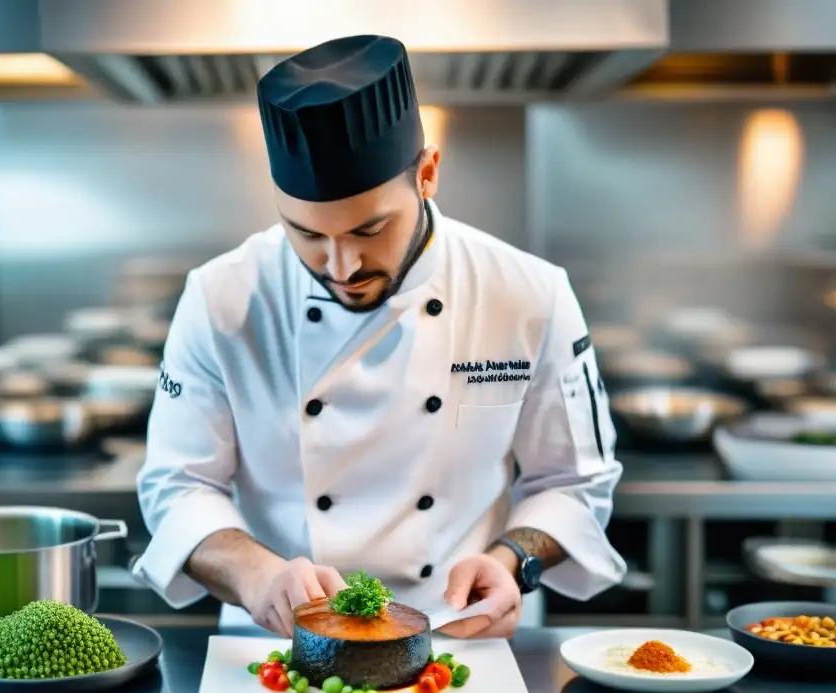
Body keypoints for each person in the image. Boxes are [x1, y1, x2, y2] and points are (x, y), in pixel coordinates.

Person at [131, 34, 625, 640]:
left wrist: (511, 562)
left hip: (461, 637)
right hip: (276, 648)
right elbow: (178, 484)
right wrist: (255, 575)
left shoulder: (528, 293)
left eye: (370, 230)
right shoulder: (221, 298)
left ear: (428, 174)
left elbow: (576, 481)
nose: (340, 266)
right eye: (306, 234)